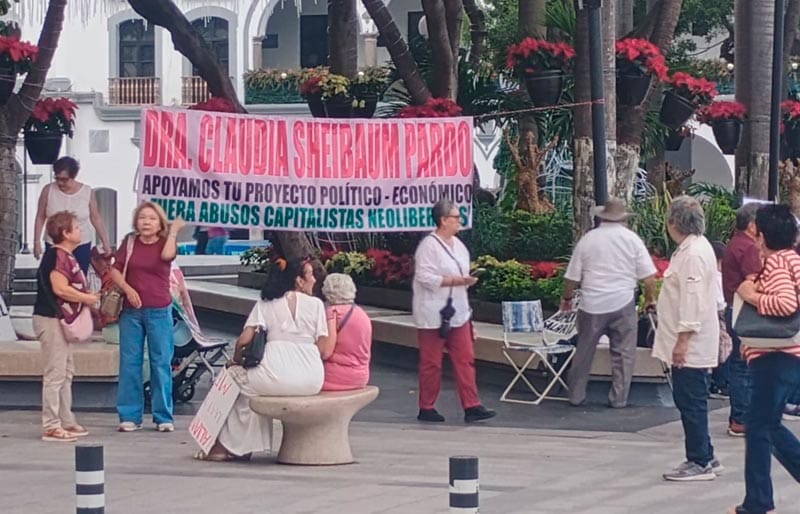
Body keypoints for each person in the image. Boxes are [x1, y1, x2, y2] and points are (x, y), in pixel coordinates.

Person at [195, 258, 327, 462]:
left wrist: (236, 360)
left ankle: (226, 446)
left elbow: (243, 340)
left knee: (240, 386)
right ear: (299, 281)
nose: (314, 280)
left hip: (274, 376)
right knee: (251, 390)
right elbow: (323, 346)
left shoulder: (267, 302)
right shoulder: (317, 305)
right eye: (311, 275)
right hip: (312, 379)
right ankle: (238, 446)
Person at [728, 204, 800, 514]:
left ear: (764, 237)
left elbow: (785, 304)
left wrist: (751, 294)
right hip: (781, 356)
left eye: (757, 234)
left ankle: (757, 503)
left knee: (760, 426)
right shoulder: (792, 259)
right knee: (764, 425)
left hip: (774, 357)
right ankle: (757, 501)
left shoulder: (777, 263)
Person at [562, 197, 658, 408]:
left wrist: (567, 299)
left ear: (602, 217)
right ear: (624, 219)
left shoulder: (588, 239)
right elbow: (649, 278)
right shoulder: (632, 240)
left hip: (591, 304)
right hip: (623, 302)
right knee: (623, 355)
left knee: (584, 352)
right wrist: (650, 300)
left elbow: (571, 278)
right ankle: (619, 399)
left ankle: (576, 395)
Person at [653, 196, 722, 481]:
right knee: (690, 400)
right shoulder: (691, 249)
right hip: (687, 340)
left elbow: (692, 301)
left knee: (691, 401)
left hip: (690, 344)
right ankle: (705, 453)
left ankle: (700, 460)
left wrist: (682, 342)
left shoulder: (693, 254)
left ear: (673, 223)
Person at [413, 198, 495, 424]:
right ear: (443, 220)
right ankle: (426, 406)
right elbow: (424, 277)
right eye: (456, 217)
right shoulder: (428, 246)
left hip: (459, 311)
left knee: (465, 358)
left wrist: (470, 316)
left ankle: (472, 405)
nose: (460, 221)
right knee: (432, 362)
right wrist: (455, 281)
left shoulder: (459, 246)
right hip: (433, 311)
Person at [109, 202, 184, 433]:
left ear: (159, 222)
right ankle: (130, 415)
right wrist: (127, 288)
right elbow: (114, 268)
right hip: (131, 312)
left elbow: (167, 256)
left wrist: (173, 231)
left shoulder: (165, 242)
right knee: (130, 363)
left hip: (159, 310)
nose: (146, 222)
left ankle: (163, 416)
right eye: (142, 218)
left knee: (161, 362)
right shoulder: (129, 242)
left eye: (152, 218)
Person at [33, 211, 99, 442]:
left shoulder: (65, 255)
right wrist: (86, 299)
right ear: (65, 233)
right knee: (55, 372)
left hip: (58, 318)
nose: (80, 230)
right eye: (76, 227)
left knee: (66, 370)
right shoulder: (57, 256)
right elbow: (60, 288)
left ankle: (65, 418)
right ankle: (51, 424)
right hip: (51, 318)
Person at [721, 203, 762, 437]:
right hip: (744, 309)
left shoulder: (734, 244)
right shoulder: (747, 248)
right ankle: (741, 417)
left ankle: (740, 415)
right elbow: (754, 279)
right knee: (743, 365)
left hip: (733, 308)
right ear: (752, 224)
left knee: (740, 364)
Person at [33, 157, 112, 274]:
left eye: (64, 179)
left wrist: (106, 243)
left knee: (78, 279)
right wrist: (36, 242)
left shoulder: (87, 192)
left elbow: (96, 218)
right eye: (57, 178)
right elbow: (40, 216)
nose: (60, 183)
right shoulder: (48, 190)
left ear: (73, 176)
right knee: (54, 278)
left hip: (81, 244)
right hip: (54, 244)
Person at [319, 273, 372, 391]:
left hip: (336, 376)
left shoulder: (333, 312)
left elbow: (326, 351)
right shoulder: (361, 313)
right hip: (362, 376)